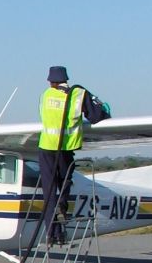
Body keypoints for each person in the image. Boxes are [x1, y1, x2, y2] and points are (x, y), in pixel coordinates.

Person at [38, 65, 110, 244]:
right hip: (65, 149)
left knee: (48, 192)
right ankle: (62, 213)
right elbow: (96, 116)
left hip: (46, 147)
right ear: (66, 79)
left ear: (50, 81)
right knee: (63, 185)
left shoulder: (46, 95)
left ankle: (51, 233)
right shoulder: (78, 94)